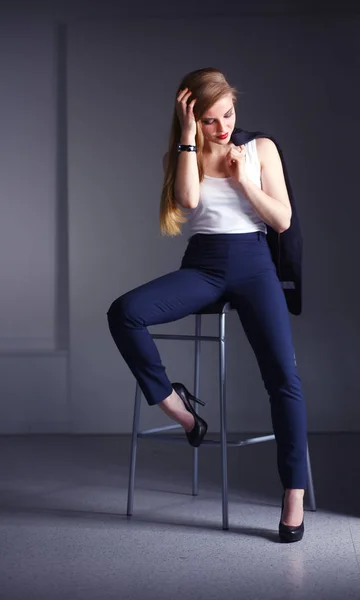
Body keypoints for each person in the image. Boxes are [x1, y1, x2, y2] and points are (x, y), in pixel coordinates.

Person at [107, 67, 307, 543]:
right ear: (192, 120)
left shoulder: (260, 150)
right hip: (204, 267)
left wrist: (244, 181)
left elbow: (281, 220)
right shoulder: (184, 154)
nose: (223, 128)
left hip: (255, 264)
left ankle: (293, 492)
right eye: (211, 120)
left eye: (228, 115)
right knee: (124, 312)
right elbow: (186, 198)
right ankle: (181, 412)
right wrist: (187, 137)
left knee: (284, 376)